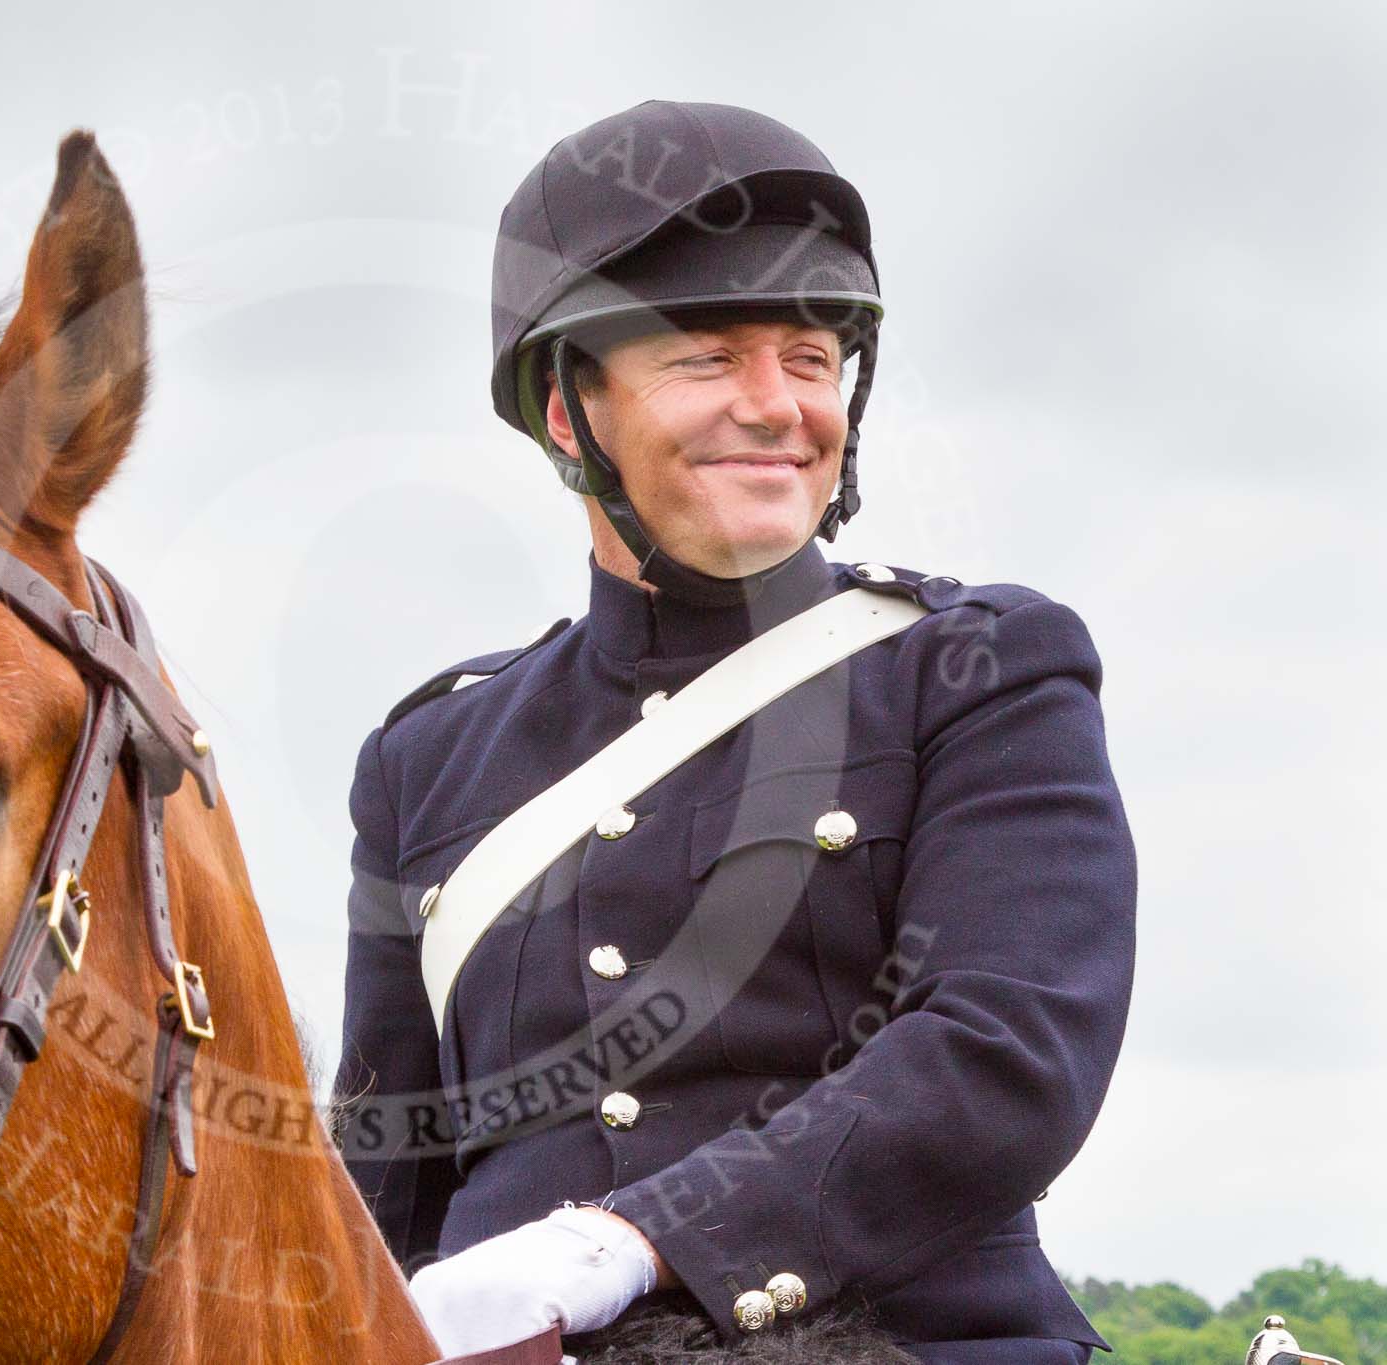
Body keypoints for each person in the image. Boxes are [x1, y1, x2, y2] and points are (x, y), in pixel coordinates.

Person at [330, 100, 1137, 1365]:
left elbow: (1007, 1053)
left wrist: (621, 1247)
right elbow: (386, 1180)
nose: (775, 407)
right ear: (564, 407)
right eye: (704, 358)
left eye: (809, 358)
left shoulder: (974, 666)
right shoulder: (428, 756)